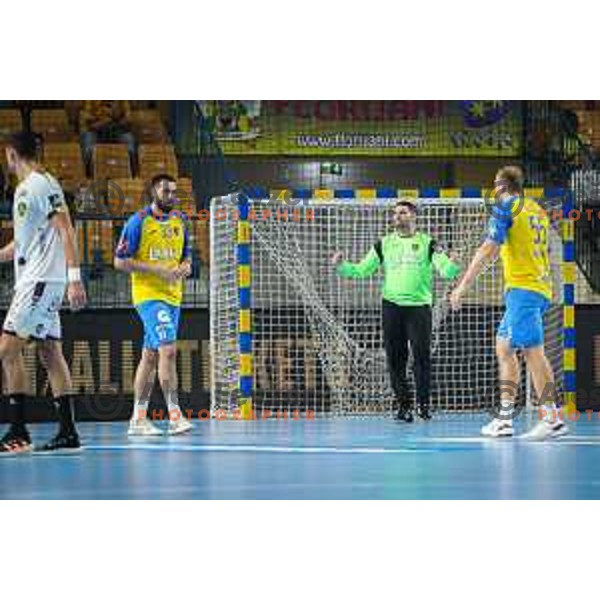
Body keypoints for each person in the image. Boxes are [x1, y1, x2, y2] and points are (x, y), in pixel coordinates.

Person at [449, 165, 568, 440]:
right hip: (536, 287)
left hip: (524, 290)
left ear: (501, 187)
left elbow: (489, 248)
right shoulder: (535, 209)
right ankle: (504, 419)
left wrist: (462, 286)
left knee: (533, 352)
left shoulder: (505, 208)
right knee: (504, 346)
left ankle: (552, 417)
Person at [332, 198, 461, 421]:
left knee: (421, 358)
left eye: (402, 213)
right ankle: (404, 407)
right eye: (395, 214)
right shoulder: (383, 244)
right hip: (391, 307)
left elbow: (446, 272)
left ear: (414, 216)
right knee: (395, 359)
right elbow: (362, 270)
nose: (397, 217)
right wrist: (342, 265)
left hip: (419, 308)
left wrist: (453, 262)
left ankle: (423, 407)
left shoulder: (429, 243)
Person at [0, 131, 87, 454]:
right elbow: (20, 245)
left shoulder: (38, 184)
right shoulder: (29, 188)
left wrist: (74, 278)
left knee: (6, 350)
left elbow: (66, 229)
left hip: (41, 282)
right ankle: (68, 431)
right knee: (50, 353)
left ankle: (18, 432)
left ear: (11, 154)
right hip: (37, 280)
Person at [114, 174, 193, 436]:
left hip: (174, 296)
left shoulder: (181, 220)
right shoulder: (138, 222)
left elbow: (187, 258)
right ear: (153, 193)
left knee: (149, 357)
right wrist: (156, 270)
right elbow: (120, 261)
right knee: (168, 350)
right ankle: (175, 415)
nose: (171, 195)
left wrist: (184, 268)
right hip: (148, 295)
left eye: (174, 191)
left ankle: (138, 418)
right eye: (166, 191)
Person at [79, 100, 136, 175]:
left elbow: (128, 118)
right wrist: (102, 118)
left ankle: (132, 175)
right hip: (94, 130)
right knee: (88, 147)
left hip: (116, 128)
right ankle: (88, 176)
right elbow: (86, 119)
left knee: (130, 143)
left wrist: (115, 117)